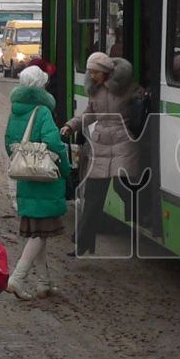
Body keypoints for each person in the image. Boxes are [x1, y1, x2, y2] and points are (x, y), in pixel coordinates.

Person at [61, 52, 145, 256]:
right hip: (101, 144)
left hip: (123, 143)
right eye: (89, 71)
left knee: (122, 184)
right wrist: (71, 125)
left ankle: (142, 217)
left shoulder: (128, 87)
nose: (91, 75)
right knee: (92, 197)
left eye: (94, 72)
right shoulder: (95, 90)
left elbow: (142, 102)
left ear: (105, 71)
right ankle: (82, 244)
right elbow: (90, 113)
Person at [4, 65, 71, 299]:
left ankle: (44, 282)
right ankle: (17, 278)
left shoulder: (16, 111)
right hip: (44, 178)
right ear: (41, 85)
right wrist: (65, 168)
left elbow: (8, 143)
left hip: (25, 177)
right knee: (39, 234)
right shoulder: (42, 111)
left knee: (39, 231)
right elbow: (54, 144)